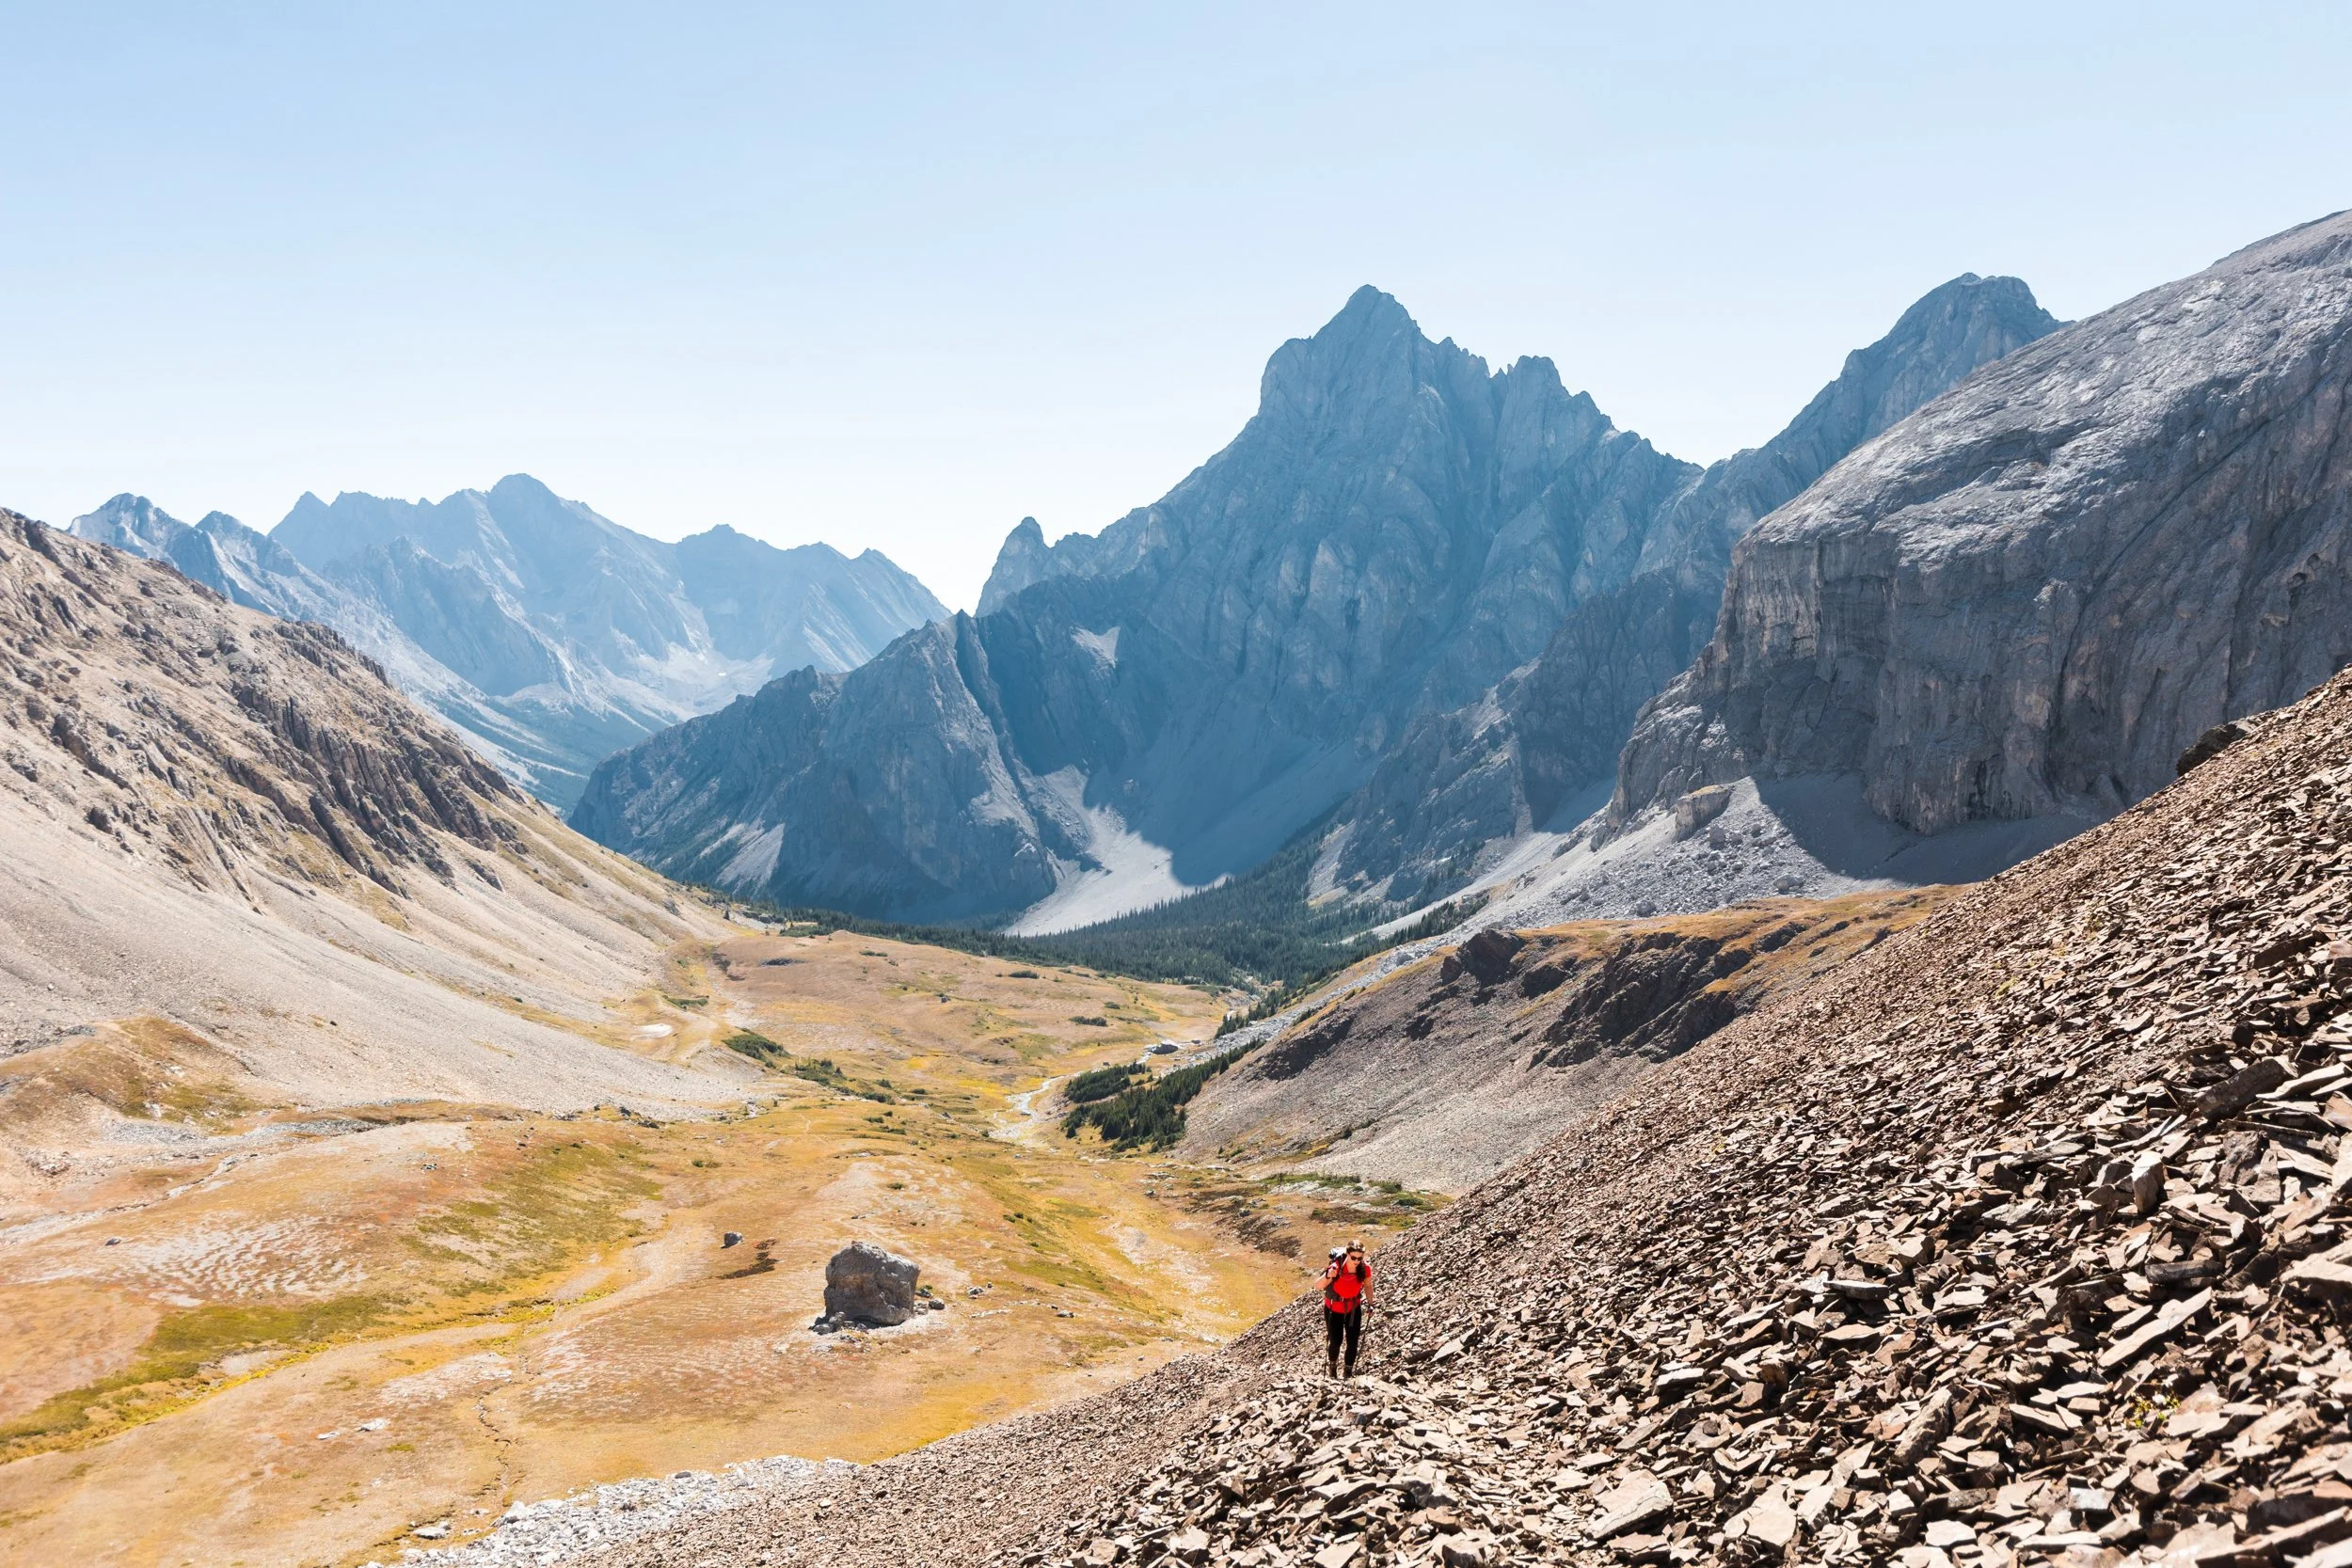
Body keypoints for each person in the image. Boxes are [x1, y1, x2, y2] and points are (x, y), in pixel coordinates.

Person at [1322, 1240, 1372, 1379]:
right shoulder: (1336, 1267)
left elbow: (1368, 1286)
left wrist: (1371, 1304)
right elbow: (1318, 1286)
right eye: (1353, 1257)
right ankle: (1332, 1369)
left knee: (1353, 1341)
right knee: (1335, 1341)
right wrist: (1327, 1275)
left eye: (1360, 1258)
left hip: (1354, 1308)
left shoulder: (1365, 1268)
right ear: (1347, 1254)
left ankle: (1347, 1373)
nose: (1357, 1261)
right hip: (1333, 1308)